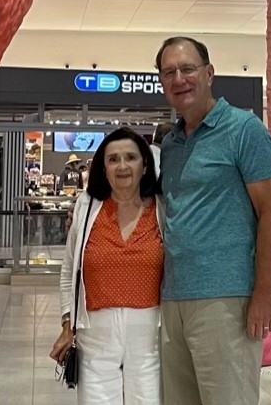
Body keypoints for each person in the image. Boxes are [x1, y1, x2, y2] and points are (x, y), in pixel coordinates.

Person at [155, 36, 271, 405]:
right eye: (169, 72)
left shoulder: (244, 130)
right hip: (174, 298)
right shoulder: (172, 143)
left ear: (209, 74)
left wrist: (264, 294)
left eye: (188, 68)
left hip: (227, 299)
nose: (179, 78)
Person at [50, 128, 163, 405]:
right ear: (103, 167)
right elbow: (69, 271)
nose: (122, 166)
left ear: (145, 164)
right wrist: (67, 322)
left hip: (149, 337)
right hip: (94, 337)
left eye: (130, 158)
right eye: (113, 159)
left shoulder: (162, 208)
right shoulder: (86, 206)